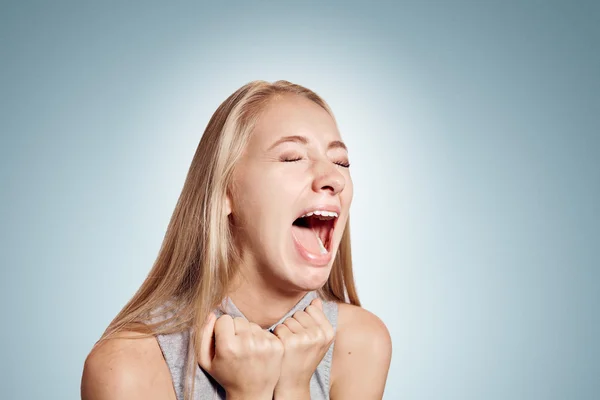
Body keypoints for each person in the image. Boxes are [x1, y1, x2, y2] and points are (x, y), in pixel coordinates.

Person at [81, 80, 392, 400]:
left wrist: (294, 387)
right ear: (226, 191)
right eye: (292, 158)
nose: (334, 178)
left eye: (340, 162)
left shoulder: (362, 343)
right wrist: (249, 393)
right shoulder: (125, 369)